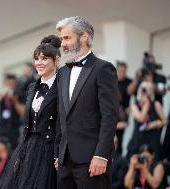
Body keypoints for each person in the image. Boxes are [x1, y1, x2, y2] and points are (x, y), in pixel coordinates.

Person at [54, 16, 119, 189]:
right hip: (64, 161)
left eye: (67, 38)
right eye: (62, 39)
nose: (63, 44)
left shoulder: (103, 68)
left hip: (92, 160)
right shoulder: (62, 73)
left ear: (84, 36)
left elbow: (110, 116)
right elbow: (62, 116)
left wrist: (102, 155)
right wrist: (57, 154)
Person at [0, 35, 60, 189]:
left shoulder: (62, 86)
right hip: (27, 147)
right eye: (36, 59)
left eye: (44, 58)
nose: (39, 63)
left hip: (49, 149)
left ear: (56, 60)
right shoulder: (32, 87)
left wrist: (60, 152)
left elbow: (64, 122)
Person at [128, 81, 167, 159]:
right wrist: (146, 104)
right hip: (138, 138)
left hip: (152, 138)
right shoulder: (135, 106)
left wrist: (157, 123)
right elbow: (141, 118)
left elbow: (165, 120)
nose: (145, 93)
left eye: (148, 90)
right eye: (143, 90)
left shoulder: (156, 104)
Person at [0, 73, 22, 149]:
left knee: (12, 151)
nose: (9, 85)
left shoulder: (18, 94)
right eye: (8, 82)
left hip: (14, 128)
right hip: (2, 127)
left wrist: (14, 100)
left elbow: (22, 112)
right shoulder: (1, 94)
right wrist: (2, 94)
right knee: (0, 149)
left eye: (11, 83)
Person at [117, 61, 132, 154]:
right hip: (112, 114)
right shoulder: (111, 80)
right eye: (120, 71)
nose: (122, 73)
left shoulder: (129, 82)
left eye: (124, 71)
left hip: (124, 115)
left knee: (121, 141)